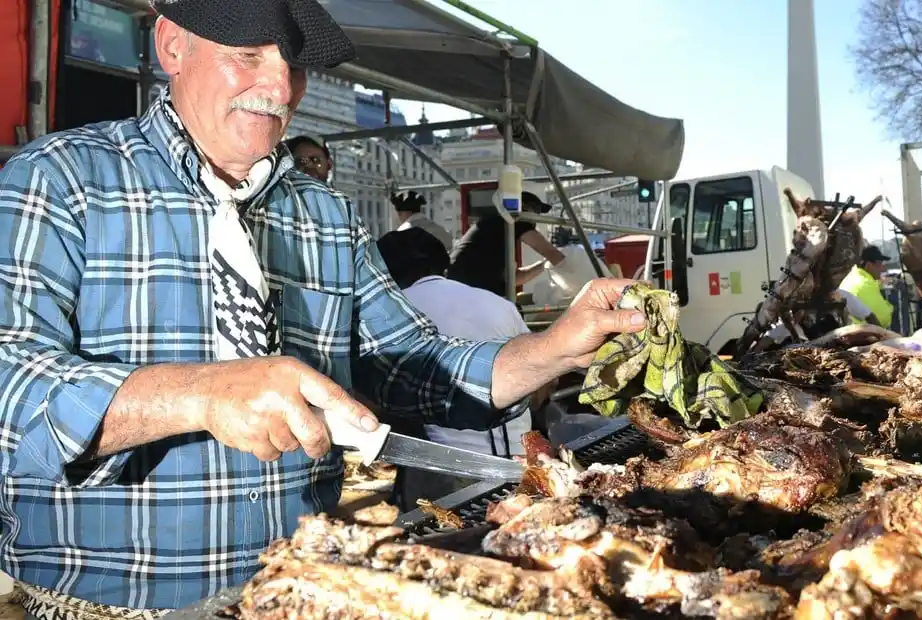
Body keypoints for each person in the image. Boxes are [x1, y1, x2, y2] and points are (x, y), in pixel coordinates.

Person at [0, 0, 646, 614]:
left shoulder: (324, 214)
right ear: (173, 44)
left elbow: (409, 367)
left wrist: (553, 348)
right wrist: (200, 393)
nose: (280, 89)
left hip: (298, 592)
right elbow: (10, 382)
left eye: (294, 65)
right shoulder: (58, 181)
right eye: (251, 55)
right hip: (108, 609)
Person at [375, 226, 544, 505]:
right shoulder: (498, 304)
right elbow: (539, 387)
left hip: (445, 471)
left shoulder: (394, 312)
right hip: (521, 461)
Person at [447, 183, 568, 299]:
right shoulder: (515, 220)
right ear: (523, 207)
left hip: (459, 288)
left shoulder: (494, 231)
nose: (536, 216)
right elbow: (554, 254)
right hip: (475, 291)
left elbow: (513, 279)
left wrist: (545, 264)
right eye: (535, 210)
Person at [840, 246, 895, 327]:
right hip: (860, 336)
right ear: (869, 265)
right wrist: (890, 307)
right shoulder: (865, 284)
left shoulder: (853, 276)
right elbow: (883, 319)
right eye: (879, 264)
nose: (882, 269)